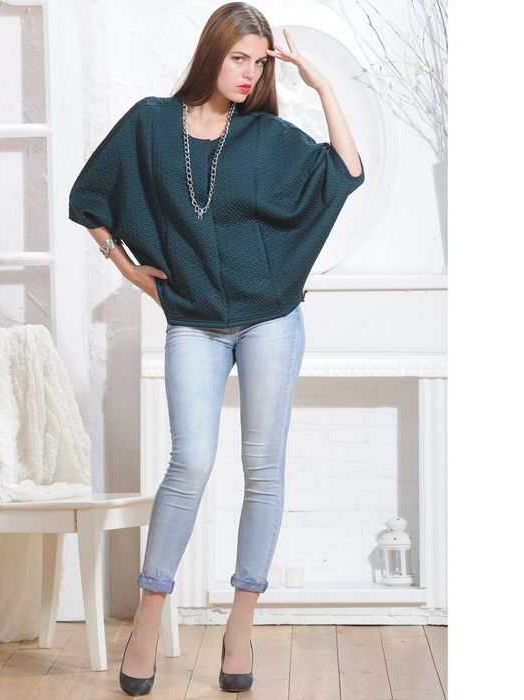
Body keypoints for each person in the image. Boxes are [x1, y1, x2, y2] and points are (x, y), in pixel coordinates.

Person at [68, 3, 365, 695]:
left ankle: (240, 626)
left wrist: (321, 85)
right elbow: (90, 196)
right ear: (213, 53)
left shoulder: (265, 135)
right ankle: (147, 621)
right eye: (240, 58)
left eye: (260, 62)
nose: (250, 73)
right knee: (191, 462)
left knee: (263, 469)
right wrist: (125, 267)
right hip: (194, 322)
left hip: (270, 321)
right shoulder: (150, 123)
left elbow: (346, 172)